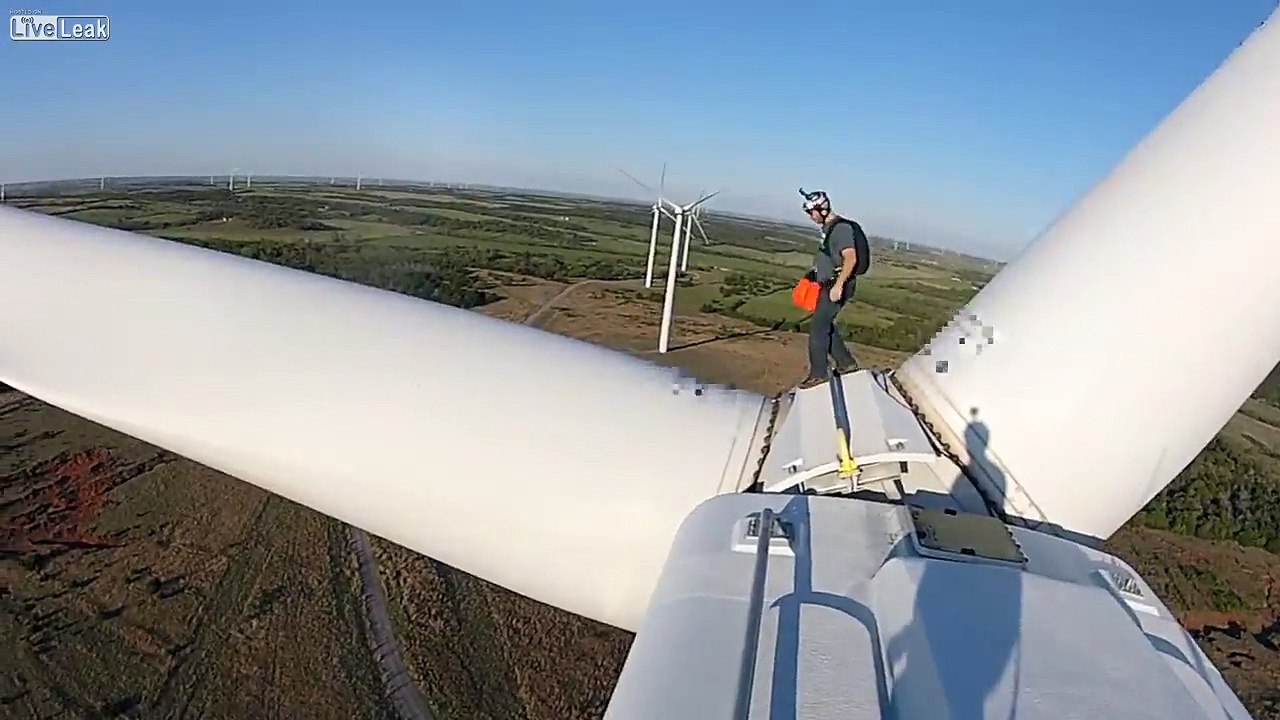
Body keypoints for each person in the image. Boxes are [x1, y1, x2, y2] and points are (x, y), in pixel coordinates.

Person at [798, 188, 868, 388]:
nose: (811, 217)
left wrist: (838, 286)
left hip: (836, 285)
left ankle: (819, 372)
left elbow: (851, 258)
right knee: (825, 325)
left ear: (822, 208)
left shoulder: (841, 229)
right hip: (828, 283)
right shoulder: (830, 229)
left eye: (812, 212)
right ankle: (846, 363)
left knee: (818, 328)